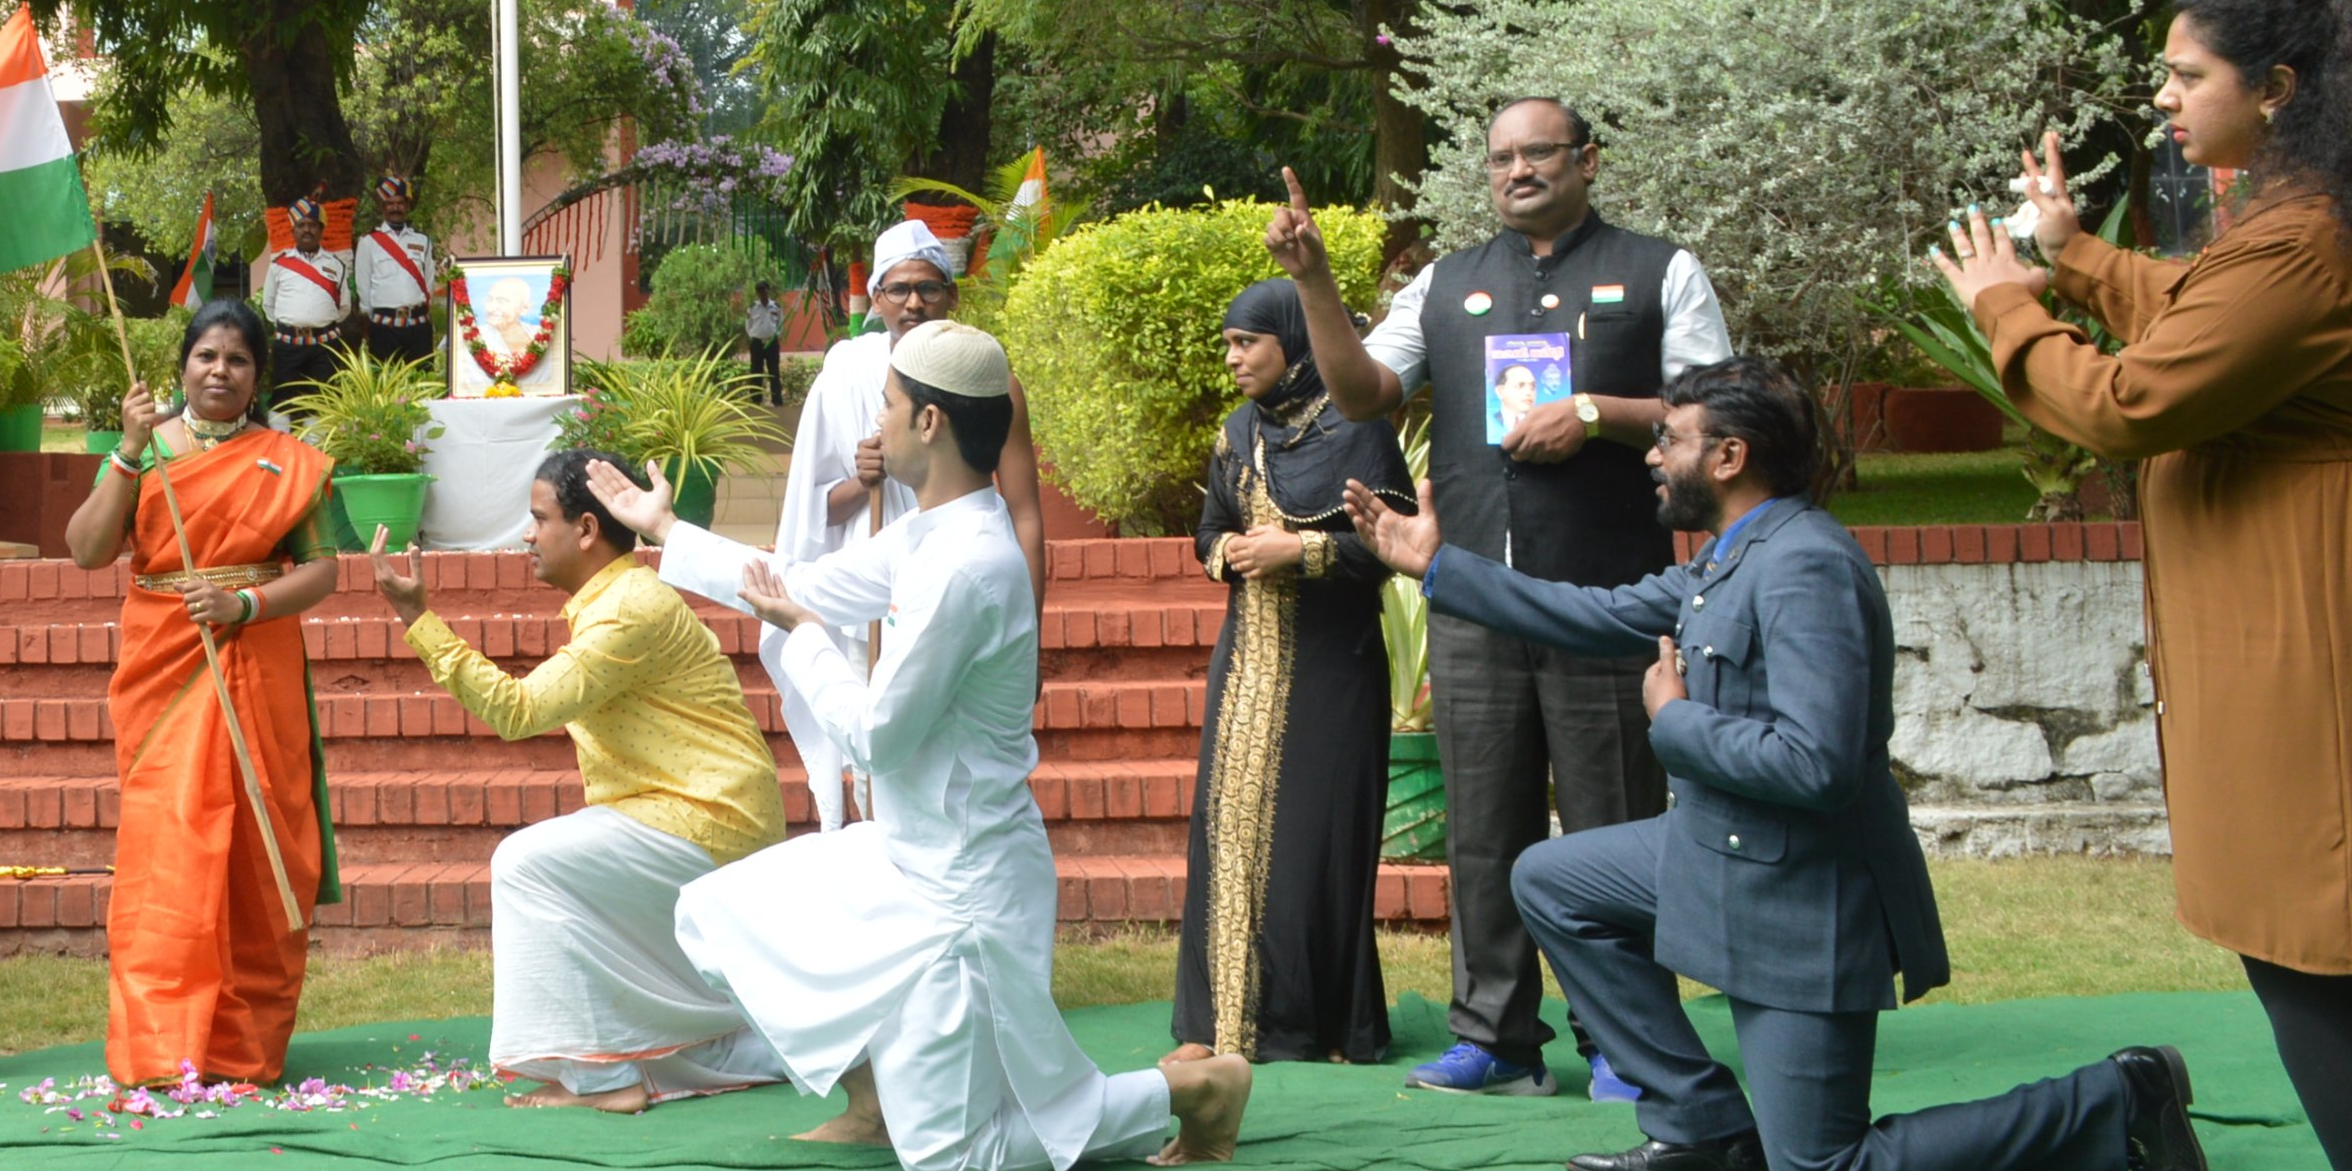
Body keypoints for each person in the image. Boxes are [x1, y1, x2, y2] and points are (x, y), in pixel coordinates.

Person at [1342, 357, 2207, 1171]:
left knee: (1821, 1162)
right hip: (1725, 851)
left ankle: (2118, 1099)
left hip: (1806, 897)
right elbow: (1591, 613)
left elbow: (1818, 764)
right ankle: (1702, 1127)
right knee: (1553, 880)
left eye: (1668, 440)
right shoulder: (1732, 554)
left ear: (1728, 455)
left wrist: (1674, 724)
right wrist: (1435, 567)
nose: (1652, 455)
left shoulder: (1806, 567)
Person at [1938, 0, 2352, 1171]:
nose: (2162, 97)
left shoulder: (2304, 241)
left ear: (2278, 87)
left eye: (2186, 74)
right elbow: (2195, 298)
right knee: (2327, 946)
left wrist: (2006, 305)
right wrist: (2073, 252)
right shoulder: (2300, 226)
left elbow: (2128, 400)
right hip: (2328, 594)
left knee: (2309, 940)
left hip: (2336, 613)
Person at [591, 320, 1253, 1170]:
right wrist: (667, 531)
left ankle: (1193, 1090)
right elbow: (795, 583)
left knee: (956, 1158)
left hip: (964, 893)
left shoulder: (968, 564)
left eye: (889, 405)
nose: (878, 424)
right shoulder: (926, 534)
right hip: (902, 863)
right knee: (713, 916)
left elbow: (875, 740)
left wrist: (802, 638)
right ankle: (877, 1096)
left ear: (931, 422)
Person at [1262, 100, 1734, 1100]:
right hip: (1474, 602)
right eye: (1499, 158)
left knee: (1614, 825)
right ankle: (1496, 1037)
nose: (1517, 169)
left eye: (1538, 153)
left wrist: (1598, 414)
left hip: (1608, 600)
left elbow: (1715, 412)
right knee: (1484, 827)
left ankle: (1625, 1044)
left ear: (1586, 161)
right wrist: (1313, 282)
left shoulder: (1660, 270)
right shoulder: (1446, 282)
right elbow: (1358, 392)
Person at [361, 449, 788, 1114]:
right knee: (555, 864)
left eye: (538, 519)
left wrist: (418, 619)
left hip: (707, 820)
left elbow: (519, 710)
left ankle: (605, 1082)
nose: (527, 535)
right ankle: (651, 1062)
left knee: (526, 864)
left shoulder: (627, 611)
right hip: (677, 813)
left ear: (586, 530)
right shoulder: (616, 598)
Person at [61, 296, 345, 1084]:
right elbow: (87, 550)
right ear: (182, 364)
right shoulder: (144, 450)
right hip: (165, 662)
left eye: (238, 360)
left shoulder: (292, 461)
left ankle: (242, 1049)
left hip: (256, 659)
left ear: (258, 377)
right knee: (170, 847)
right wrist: (125, 450)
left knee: (260, 847)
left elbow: (321, 571)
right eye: (206, 357)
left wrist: (244, 605)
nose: (220, 371)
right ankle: (162, 1046)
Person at [1176, 280, 1409, 1066]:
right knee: (1225, 839)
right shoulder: (1238, 434)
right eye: (1229, 343)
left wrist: (1299, 550)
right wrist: (1229, 555)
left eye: (1248, 342)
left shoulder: (1359, 428)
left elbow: (1390, 546)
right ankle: (1225, 1020)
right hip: (1245, 664)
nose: (1234, 358)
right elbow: (1210, 528)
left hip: (1331, 670)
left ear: (1294, 342)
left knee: (1315, 844)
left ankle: (1313, 1025)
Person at [764, 220, 1053, 831]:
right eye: (898, 289)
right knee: (871, 753)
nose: (914, 302)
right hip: (867, 581)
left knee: (937, 749)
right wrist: (860, 480)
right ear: (876, 299)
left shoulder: (987, 379)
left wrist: (1028, 637)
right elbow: (809, 511)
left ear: (952, 295)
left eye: (928, 287)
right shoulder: (845, 376)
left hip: (953, 587)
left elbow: (1024, 512)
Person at [256, 194, 353, 421]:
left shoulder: (336, 265)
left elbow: (344, 307)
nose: (307, 230)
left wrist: (318, 322)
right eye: (302, 225)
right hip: (289, 346)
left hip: (324, 346)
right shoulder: (279, 264)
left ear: (321, 230)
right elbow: (269, 305)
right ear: (293, 230)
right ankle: (282, 453)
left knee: (322, 403)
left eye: (312, 225)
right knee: (283, 401)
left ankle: (317, 454)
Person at [355, 175, 443, 368]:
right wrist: (371, 323)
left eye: (400, 203)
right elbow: (363, 286)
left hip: (418, 326)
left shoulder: (422, 241)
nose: (395, 208)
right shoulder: (368, 242)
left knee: (422, 381)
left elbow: (428, 281)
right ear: (382, 207)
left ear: (407, 206)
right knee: (385, 388)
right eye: (390, 203)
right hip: (384, 328)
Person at [745, 283, 788, 404]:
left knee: (774, 372)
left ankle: (777, 401)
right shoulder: (753, 307)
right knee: (755, 371)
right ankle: (755, 400)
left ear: (768, 291)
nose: (762, 294)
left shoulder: (776, 306)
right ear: (757, 293)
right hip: (757, 343)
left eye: (764, 291)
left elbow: (780, 323)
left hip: (772, 343)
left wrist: (775, 335)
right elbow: (748, 325)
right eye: (759, 291)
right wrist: (753, 336)